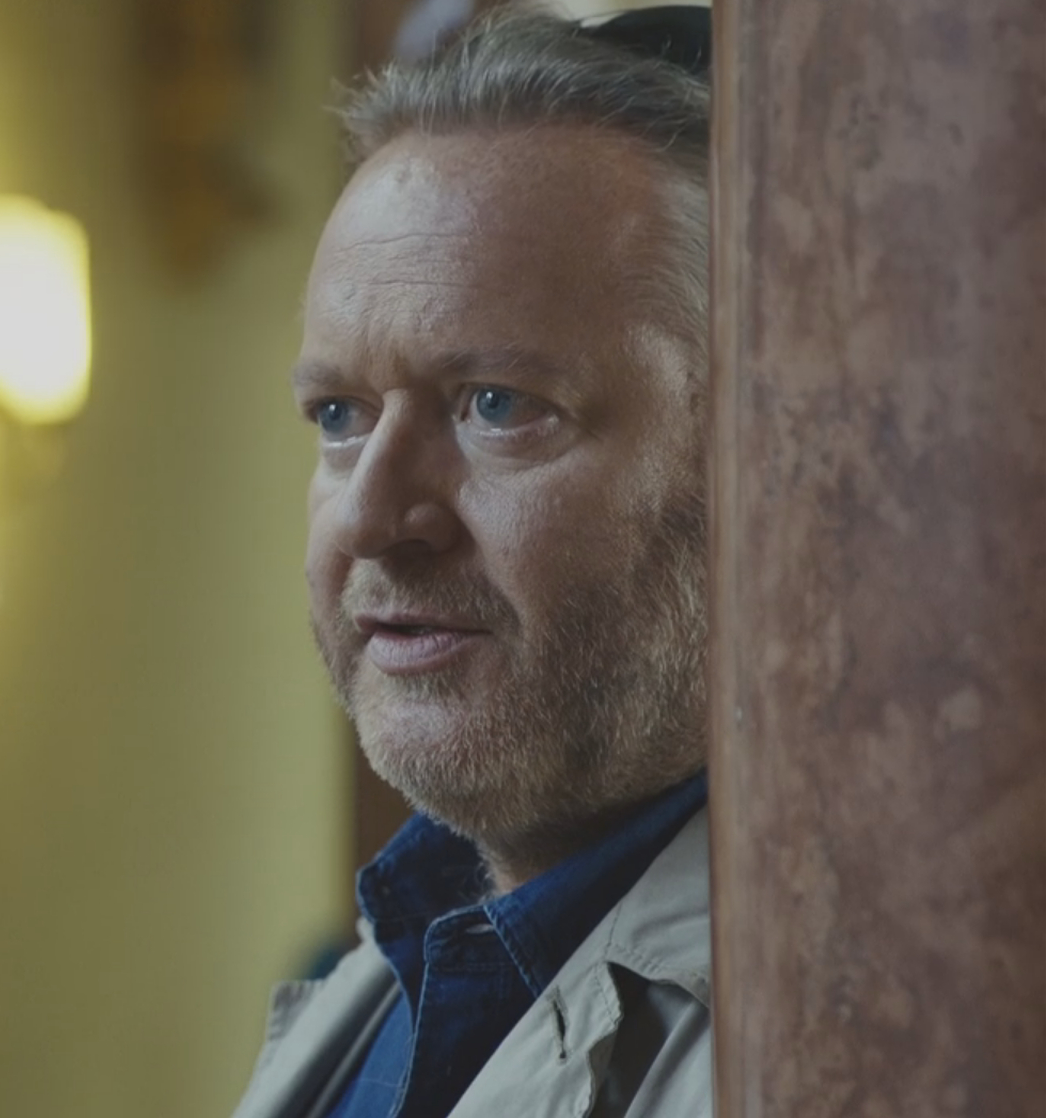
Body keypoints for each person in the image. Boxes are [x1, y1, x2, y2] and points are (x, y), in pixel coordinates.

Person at [233, 7, 716, 1117]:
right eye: (340, 414)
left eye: (497, 405)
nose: (373, 516)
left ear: (766, 460)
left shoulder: (874, 1030)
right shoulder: (387, 971)